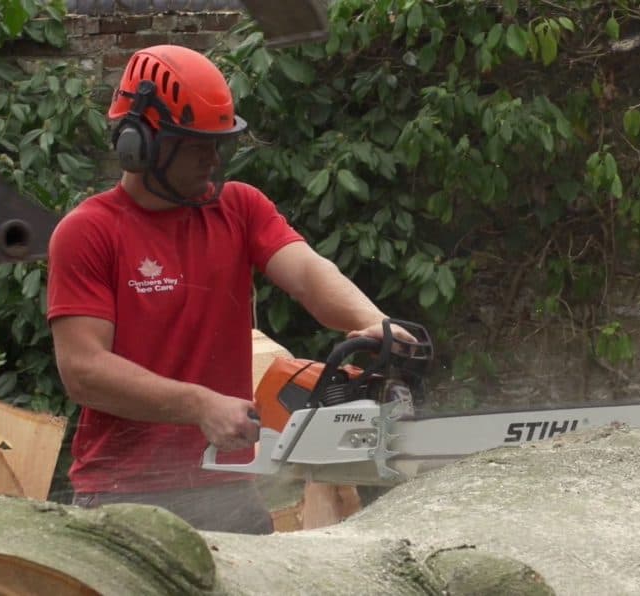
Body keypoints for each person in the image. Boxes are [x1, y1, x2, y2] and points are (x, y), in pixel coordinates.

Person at [46, 44, 402, 533]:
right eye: (196, 145)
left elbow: (307, 272)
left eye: (218, 144)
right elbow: (82, 370)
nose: (212, 160)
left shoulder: (238, 208)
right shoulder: (88, 232)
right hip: (124, 496)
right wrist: (198, 405)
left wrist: (370, 322)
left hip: (227, 486)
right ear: (140, 144)